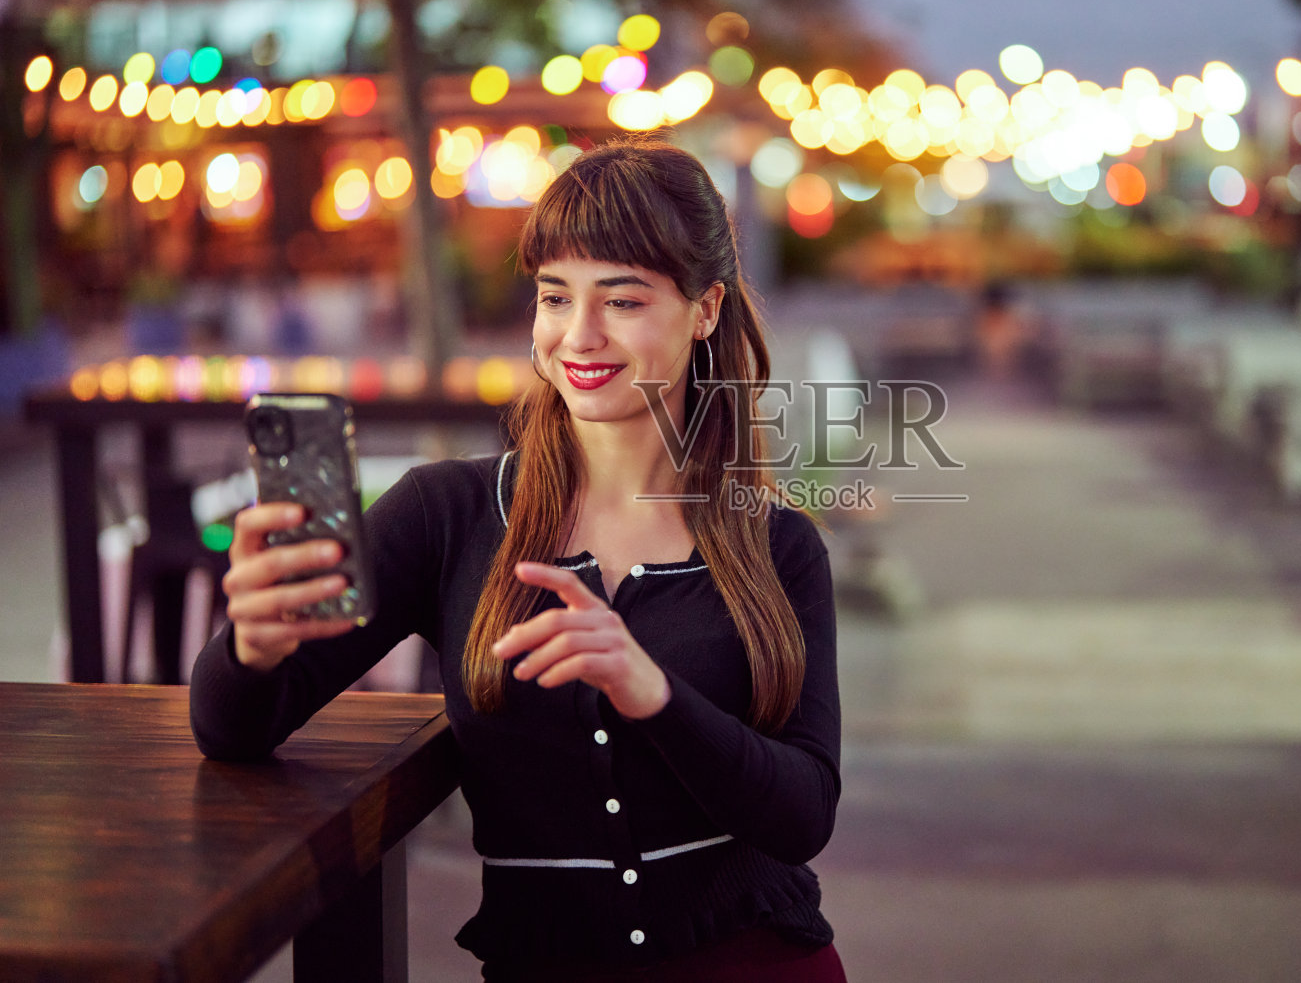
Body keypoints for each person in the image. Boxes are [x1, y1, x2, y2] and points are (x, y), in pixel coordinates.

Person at [190, 137, 846, 982]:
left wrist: (652, 693)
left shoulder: (777, 544)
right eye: (554, 296)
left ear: (706, 308)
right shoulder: (446, 514)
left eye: (622, 299)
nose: (580, 334)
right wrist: (251, 648)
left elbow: (804, 814)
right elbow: (233, 730)